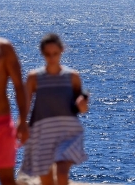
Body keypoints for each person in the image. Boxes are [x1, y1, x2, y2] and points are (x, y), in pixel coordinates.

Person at [21, 33, 88, 185]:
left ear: (62, 51)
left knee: (62, 174)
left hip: (67, 133)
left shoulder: (72, 77)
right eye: (47, 54)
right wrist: (22, 126)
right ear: (42, 53)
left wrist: (82, 105)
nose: (51, 58)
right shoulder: (34, 77)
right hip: (42, 133)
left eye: (55, 53)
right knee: (47, 180)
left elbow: (81, 109)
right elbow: (25, 105)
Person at [0, 17, 29, 185]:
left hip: (0, 123)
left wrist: (22, 120)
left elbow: (19, 86)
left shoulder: (3, 48)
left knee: (6, 180)